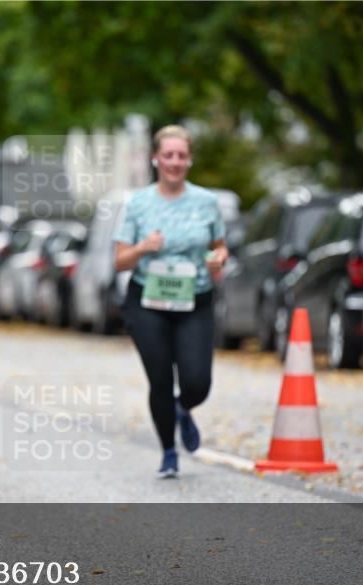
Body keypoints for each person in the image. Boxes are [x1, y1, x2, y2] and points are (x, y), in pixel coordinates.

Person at [113, 125, 228, 479]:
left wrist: (218, 260)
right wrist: (143, 248)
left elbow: (220, 247)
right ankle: (168, 452)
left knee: (197, 381)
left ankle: (183, 408)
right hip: (148, 301)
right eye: (168, 155)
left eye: (181, 155)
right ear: (155, 159)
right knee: (160, 379)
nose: (175, 162)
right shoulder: (138, 203)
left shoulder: (207, 203)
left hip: (194, 299)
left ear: (189, 160)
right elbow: (120, 260)